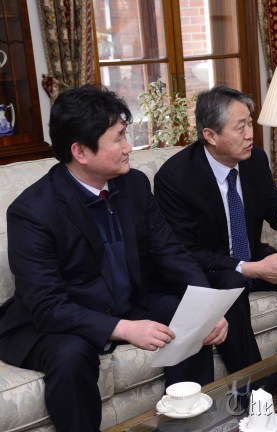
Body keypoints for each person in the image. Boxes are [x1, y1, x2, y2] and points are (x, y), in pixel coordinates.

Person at [0, 85, 228, 431]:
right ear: (80, 151)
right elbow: (46, 305)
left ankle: (186, 425)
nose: (128, 147)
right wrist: (124, 329)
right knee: (71, 356)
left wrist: (207, 307)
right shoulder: (32, 212)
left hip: (125, 302)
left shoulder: (134, 185)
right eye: (118, 138)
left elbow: (169, 252)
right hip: (55, 322)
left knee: (190, 319)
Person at [154, 85, 277, 381]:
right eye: (241, 127)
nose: (250, 134)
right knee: (232, 281)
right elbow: (183, 252)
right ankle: (258, 386)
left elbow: (271, 202)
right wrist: (250, 269)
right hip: (209, 270)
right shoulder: (175, 178)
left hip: (248, 256)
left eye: (250, 123)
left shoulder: (254, 160)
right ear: (210, 135)